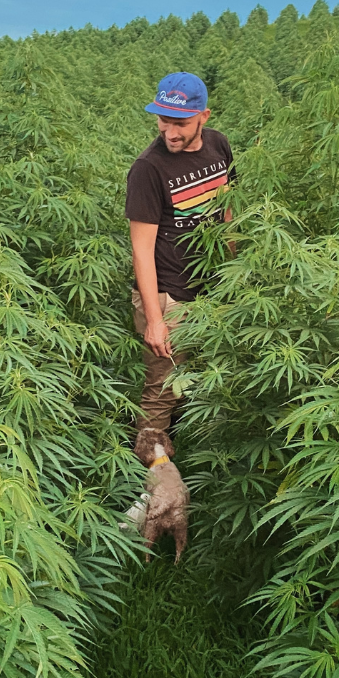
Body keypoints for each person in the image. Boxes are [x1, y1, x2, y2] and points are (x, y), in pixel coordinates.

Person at [125, 72, 235, 435]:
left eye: (181, 123)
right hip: (170, 297)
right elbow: (141, 251)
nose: (170, 132)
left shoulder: (219, 146)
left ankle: (192, 450)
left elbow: (229, 210)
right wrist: (155, 319)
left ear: (204, 116)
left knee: (205, 381)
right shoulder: (148, 168)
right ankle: (153, 471)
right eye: (163, 120)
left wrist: (234, 275)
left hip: (214, 290)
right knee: (162, 392)